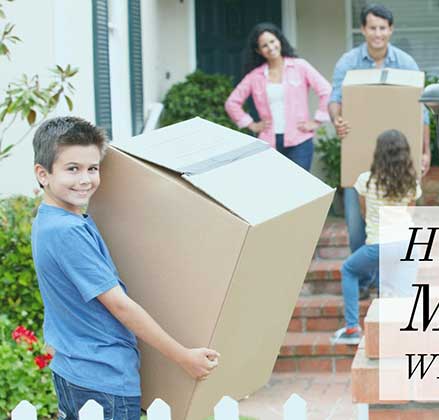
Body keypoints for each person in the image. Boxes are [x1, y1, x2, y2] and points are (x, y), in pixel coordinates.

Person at [31, 117, 220, 420]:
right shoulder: (67, 232)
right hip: (102, 377)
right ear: (43, 174)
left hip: (75, 369)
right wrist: (183, 357)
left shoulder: (52, 220)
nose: (85, 179)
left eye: (93, 168)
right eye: (72, 169)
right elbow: (120, 305)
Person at [329, 4, 431, 266]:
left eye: (382, 28)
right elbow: (335, 100)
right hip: (359, 156)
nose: (377, 34)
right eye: (372, 28)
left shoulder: (406, 63)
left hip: (397, 158)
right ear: (363, 29)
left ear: (391, 30)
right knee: (356, 227)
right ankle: (366, 280)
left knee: (400, 225)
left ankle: (391, 280)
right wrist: (336, 119)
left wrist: (425, 151)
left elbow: (421, 112)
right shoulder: (348, 63)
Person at [331, 129, 422, 345]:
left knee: (349, 270)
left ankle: (353, 328)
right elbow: (411, 213)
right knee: (402, 296)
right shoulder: (411, 183)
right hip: (407, 245)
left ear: (378, 153)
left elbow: (363, 213)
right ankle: (405, 341)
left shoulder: (365, 181)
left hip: (379, 245)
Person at [225, 22, 331, 171]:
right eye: (264, 45)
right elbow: (232, 103)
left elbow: (326, 91)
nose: (270, 47)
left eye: (272, 41)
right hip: (269, 143)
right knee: (274, 189)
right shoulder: (255, 76)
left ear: (279, 40)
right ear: (258, 50)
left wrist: (317, 121)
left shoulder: (300, 66)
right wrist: (251, 124)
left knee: (300, 189)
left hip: (299, 141)